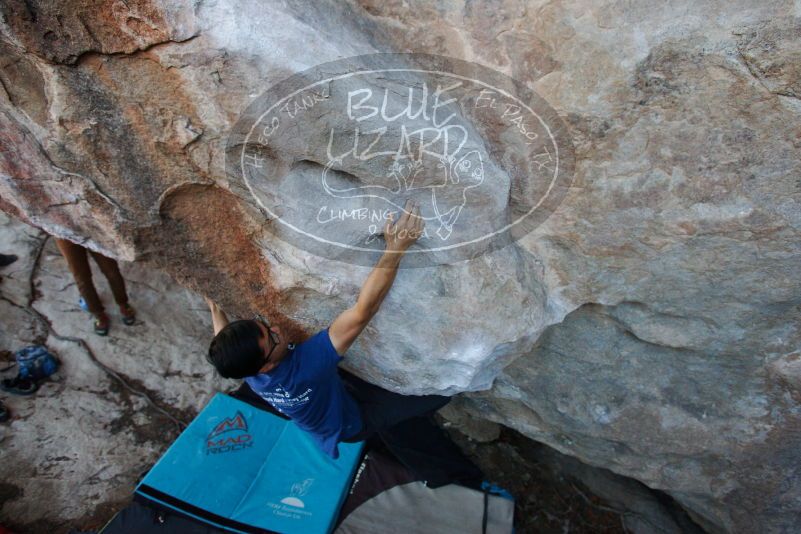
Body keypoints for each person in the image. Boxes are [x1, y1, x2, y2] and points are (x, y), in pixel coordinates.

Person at [206, 199, 450, 460]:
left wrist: (214, 306)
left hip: (329, 400)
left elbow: (222, 337)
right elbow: (362, 311)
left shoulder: (246, 366)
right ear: (264, 367)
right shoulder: (305, 368)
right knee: (440, 394)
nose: (276, 328)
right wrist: (396, 247)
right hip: (352, 423)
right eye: (271, 337)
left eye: (264, 324)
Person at [54, 238, 136, 336]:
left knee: (112, 271)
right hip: (64, 235)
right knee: (82, 279)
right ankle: (99, 315)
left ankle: (123, 304)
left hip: (91, 229)